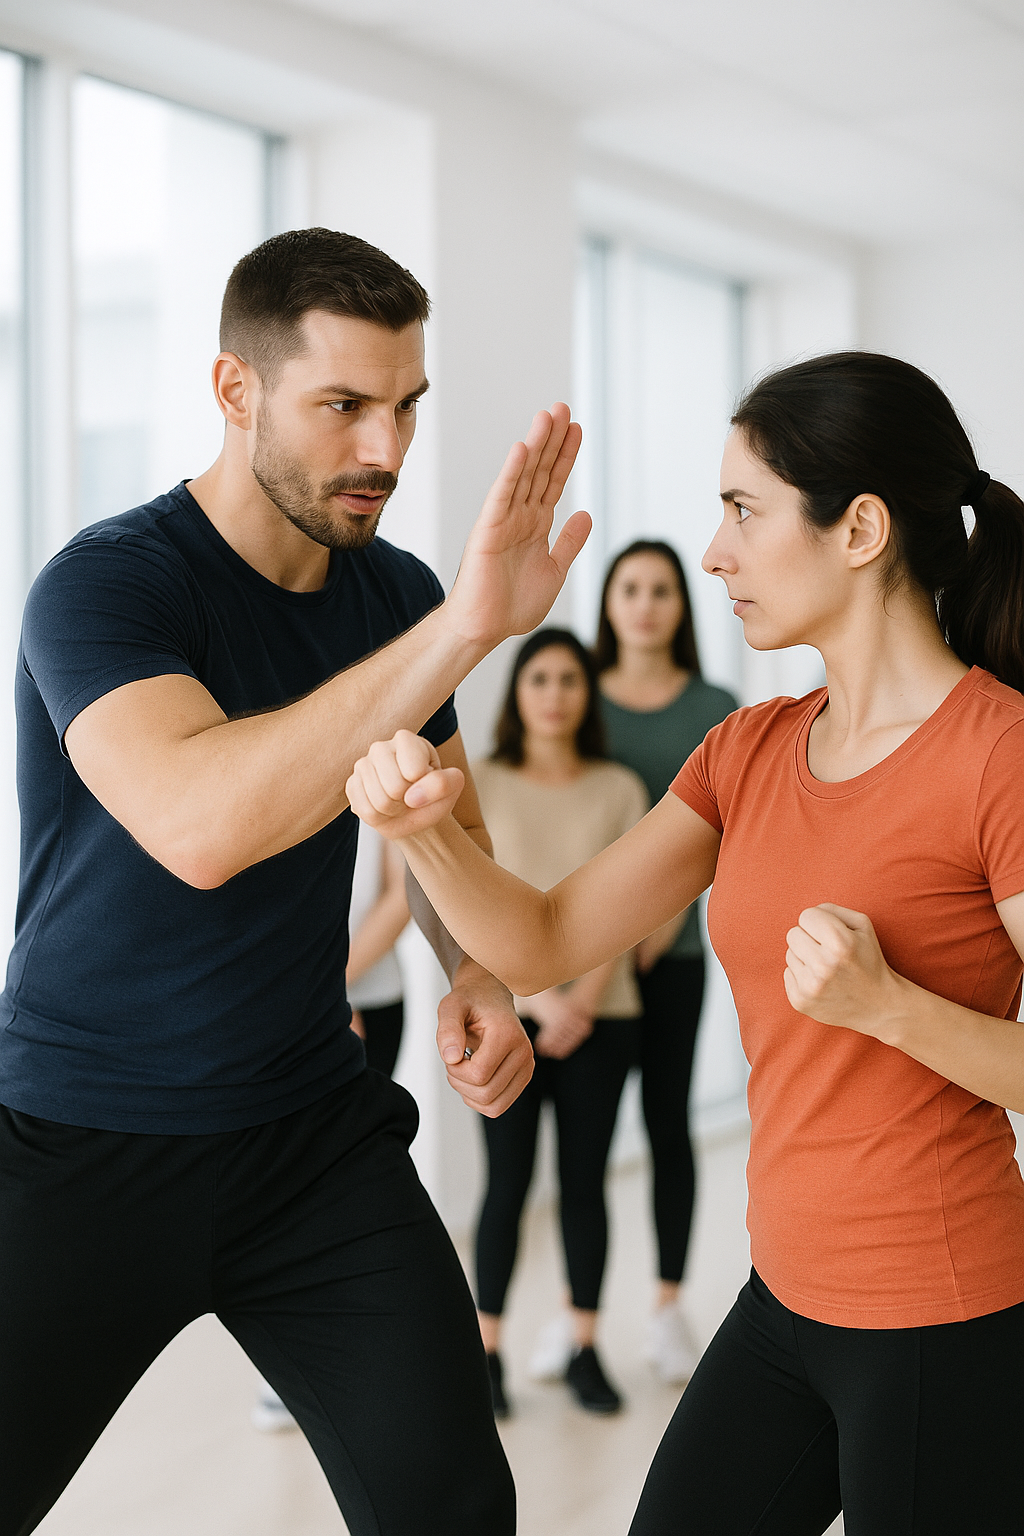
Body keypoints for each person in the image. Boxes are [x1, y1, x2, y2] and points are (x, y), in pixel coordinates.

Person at [348, 351, 1024, 1534]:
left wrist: (888, 1007)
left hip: (940, 1314)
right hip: (784, 1296)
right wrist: (425, 836)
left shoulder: (999, 753)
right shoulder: (749, 750)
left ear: (859, 527)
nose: (713, 551)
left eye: (742, 511)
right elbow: (545, 937)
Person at [0, 226, 591, 1536]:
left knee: (451, 1504)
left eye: (404, 408)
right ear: (236, 391)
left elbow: (444, 829)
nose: (384, 449)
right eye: (342, 406)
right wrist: (462, 633)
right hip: (82, 1138)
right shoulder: (105, 587)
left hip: (310, 1140)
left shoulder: (401, 598)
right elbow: (202, 823)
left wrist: (478, 968)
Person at [471, 629, 648, 1417]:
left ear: (587, 694)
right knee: (506, 1185)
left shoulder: (619, 787)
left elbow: (636, 907)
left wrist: (579, 1001)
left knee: (585, 1185)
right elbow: (465, 909)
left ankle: (583, 1345)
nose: (555, 692)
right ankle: (487, 1352)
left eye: (570, 679)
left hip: (602, 1020)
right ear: (518, 692)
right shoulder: (481, 784)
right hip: (506, 1021)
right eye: (539, 677)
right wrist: (539, 999)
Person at [596, 540, 737, 1383]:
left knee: (665, 1124)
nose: (644, 604)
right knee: (582, 1144)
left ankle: (666, 1309)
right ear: (609, 604)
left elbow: (723, 838)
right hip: (589, 965)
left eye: (660, 590)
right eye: (629, 589)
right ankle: (582, 1325)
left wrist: (656, 930)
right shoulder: (576, 697)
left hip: (674, 955)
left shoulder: (714, 707)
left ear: (681, 605)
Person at [252, 819, 410, 1433]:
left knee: (355, 1185)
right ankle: (286, 1368)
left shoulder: (381, 757)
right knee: (283, 1185)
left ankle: (363, 1363)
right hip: (283, 1001)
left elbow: (401, 890)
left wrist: (335, 991)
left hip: (373, 998)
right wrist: (320, 1000)